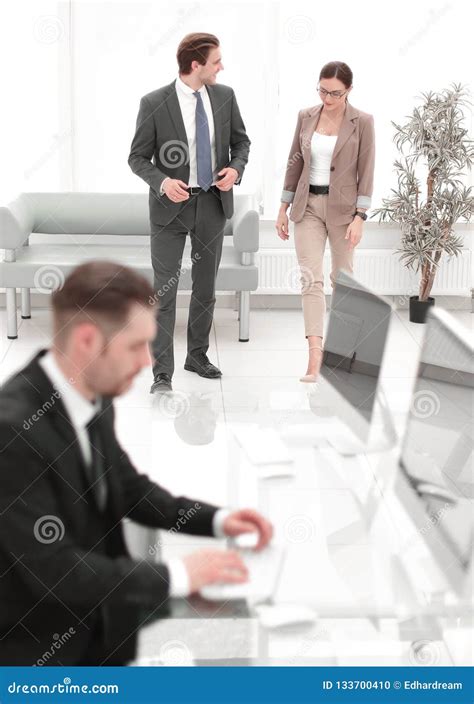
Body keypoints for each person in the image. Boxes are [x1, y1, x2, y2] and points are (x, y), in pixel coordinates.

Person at [0, 261, 272, 666]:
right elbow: (53, 570)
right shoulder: (13, 432)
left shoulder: (92, 391)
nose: (148, 361)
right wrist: (178, 576)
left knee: (245, 644)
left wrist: (215, 520)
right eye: (135, 345)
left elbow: (128, 488)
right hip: (45, 652)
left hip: (104, 619)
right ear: (87, 341)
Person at [129, 32, 251, 394]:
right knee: (164, 294)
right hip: (169, 210)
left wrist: (236, 169)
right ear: (196, 65)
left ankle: (196, 355)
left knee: (205, 289)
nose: (222, 67)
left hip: (212, 203)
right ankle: (161, 373)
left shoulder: (225, 96)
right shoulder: (154, 102)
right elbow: (137, 157)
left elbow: (241, 143)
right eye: (216, 61)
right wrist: (162, 182)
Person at [276, 61, 375, 382]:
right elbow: (294, 162)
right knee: (310, 279)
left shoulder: (363, 122)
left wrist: (360, 217)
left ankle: (344, 353)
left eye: (335, 92)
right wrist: (283, 207)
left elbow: (367, 171)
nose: (327, 97)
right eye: (322, 90)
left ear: (348, 91)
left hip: (345, 211)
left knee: (343, 281)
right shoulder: (306, 116)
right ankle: (315, 358)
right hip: (307, 207)